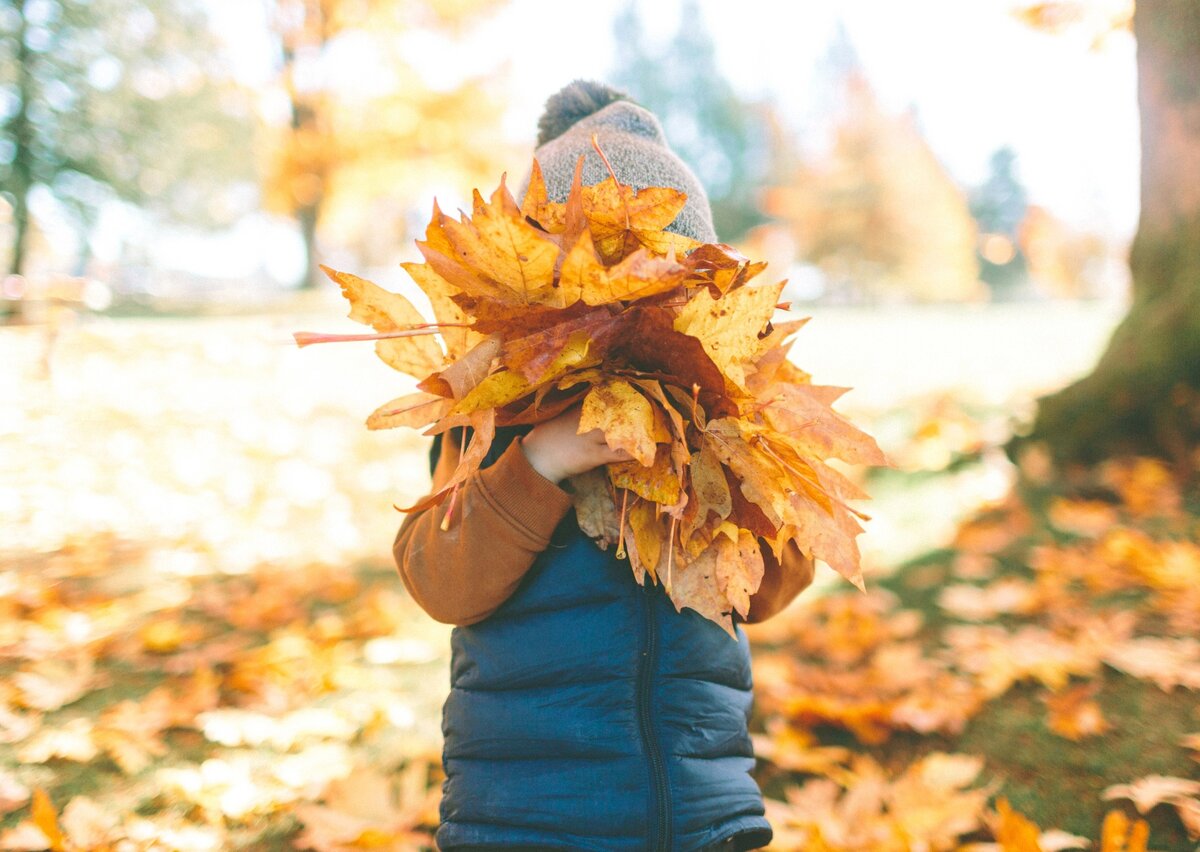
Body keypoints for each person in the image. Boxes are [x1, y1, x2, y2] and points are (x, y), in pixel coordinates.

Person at [393, 80, 815, 852]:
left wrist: (748, 467)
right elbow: (439, 579)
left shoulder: (714, 422)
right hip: (526, 815)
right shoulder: (493, 417)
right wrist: (541, 459)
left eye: (662, 284)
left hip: (698, 808)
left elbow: (770, 592)